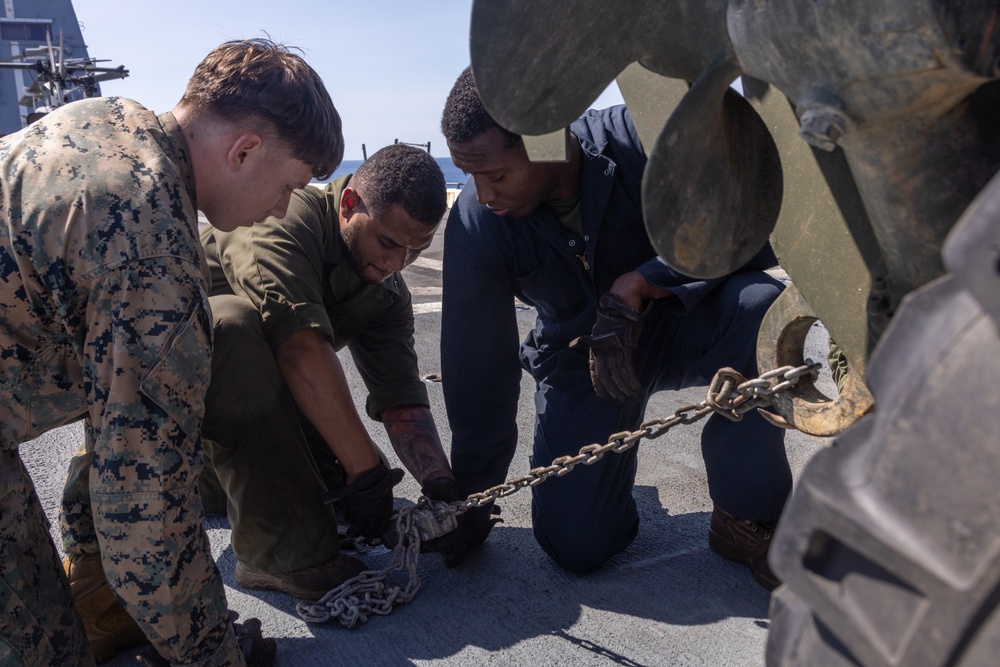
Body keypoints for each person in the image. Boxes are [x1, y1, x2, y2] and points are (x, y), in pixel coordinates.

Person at [1, 38, 341, 666]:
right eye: (290, 185)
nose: (284, 209)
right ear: (244, 151)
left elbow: (110, 435)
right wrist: (214, 655)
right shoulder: (153, 247)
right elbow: (145, 511)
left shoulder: (108, 119)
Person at [436, 66, 793, 589]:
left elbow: (746, 217)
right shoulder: (477, 223)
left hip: (682, 324)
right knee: (578, 547)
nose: (483, 193)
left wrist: (647, 281)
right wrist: (471, 498)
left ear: (548, 136)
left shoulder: (645, 139)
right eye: (470, 176)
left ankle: (746, 518)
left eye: (496, 174)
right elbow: (478, 371)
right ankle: (605, 490)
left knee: (762, 311)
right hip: (585, 359)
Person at [195, 143, 459, 601]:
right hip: (178, 426)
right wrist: (365, 471)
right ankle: (272, 556)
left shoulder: (386, 290)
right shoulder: (283, 222)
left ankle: (256, 496)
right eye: (389, 243)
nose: (397, 265)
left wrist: (443, 488)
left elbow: (400, 396)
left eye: (416, 251)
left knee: (347, 483)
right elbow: (299, 349)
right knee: (233, 325)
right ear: (349, 204)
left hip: (258, 423)